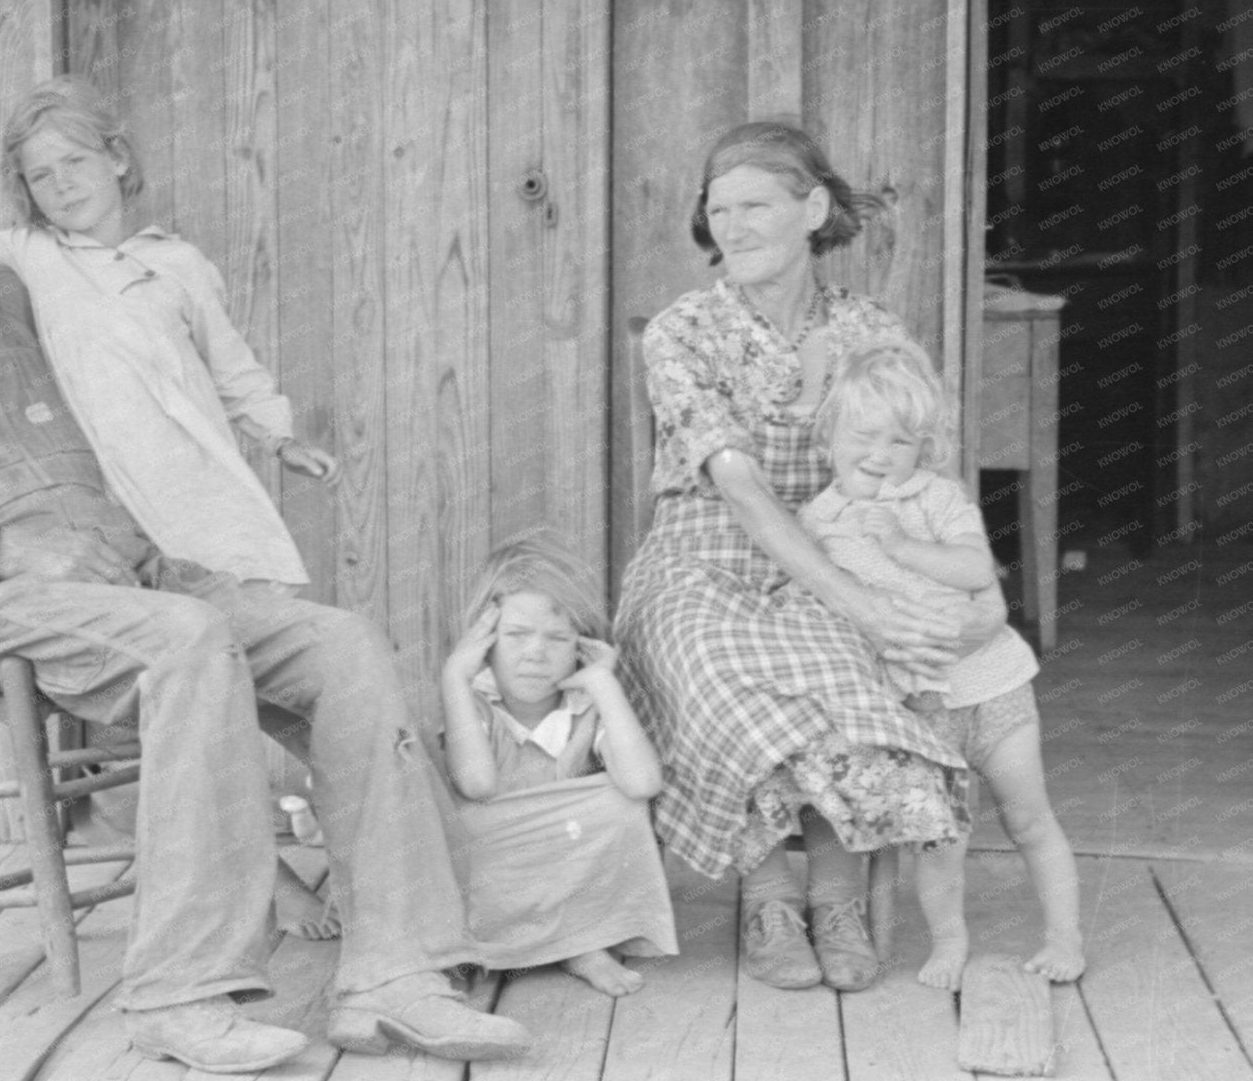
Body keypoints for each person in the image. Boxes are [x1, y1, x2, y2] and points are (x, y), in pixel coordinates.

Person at [0, 55, 528, 1073]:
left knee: (342, 646)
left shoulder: (4, 285)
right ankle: (180, 991)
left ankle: (395, 974)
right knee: (189, 643)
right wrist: (2, 544)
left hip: (127, 574)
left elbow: (131, 297)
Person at [614, 121, 1006, 993]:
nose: (734, 226)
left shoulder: (871, 331)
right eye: (719, 210)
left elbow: (921, 473)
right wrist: (861, 602)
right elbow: (739, 485)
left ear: (815, 209)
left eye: (756, 205)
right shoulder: (685, 331)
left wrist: (920, 587)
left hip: (844, 543)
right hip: (703, 552)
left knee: (849, 670)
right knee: (713, 664)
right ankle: (767, 899)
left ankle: (836, 897)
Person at [0, 74, 334, 589]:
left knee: (239, 577)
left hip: (191, 465)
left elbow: (231, 369)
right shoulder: (31, 251)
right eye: (41, 176)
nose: (62, 184)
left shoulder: (179, 264)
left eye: (75, 162)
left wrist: (279, 438)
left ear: (118, 158)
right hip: (114, 483)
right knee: (164, 589)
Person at [800, 343, 1083, 988]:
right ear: (828, 436)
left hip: (993, 688)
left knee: (1029, 817)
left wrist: (902, 544)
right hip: (918, 710)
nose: (880, 454)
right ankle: (950, 944)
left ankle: (1065, 937)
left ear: (922, 449)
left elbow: (977, 568)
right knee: (940, 840)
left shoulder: (935, 497)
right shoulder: (817, 523)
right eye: (863, 435)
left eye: (900, 441)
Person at [437, 534, 677, 997]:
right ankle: (496, 945)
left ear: (582, 646)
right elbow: (476, 784)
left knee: (620, 803)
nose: (535, 653)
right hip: (493, 871)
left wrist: (604, 683)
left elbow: (644, 782)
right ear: (483, 642)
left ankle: (581, 943)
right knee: (463, 822)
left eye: (558, 638)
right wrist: (454, 677)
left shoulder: (585, 705)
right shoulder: (474, 702)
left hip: (564, 863)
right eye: (516, 635)